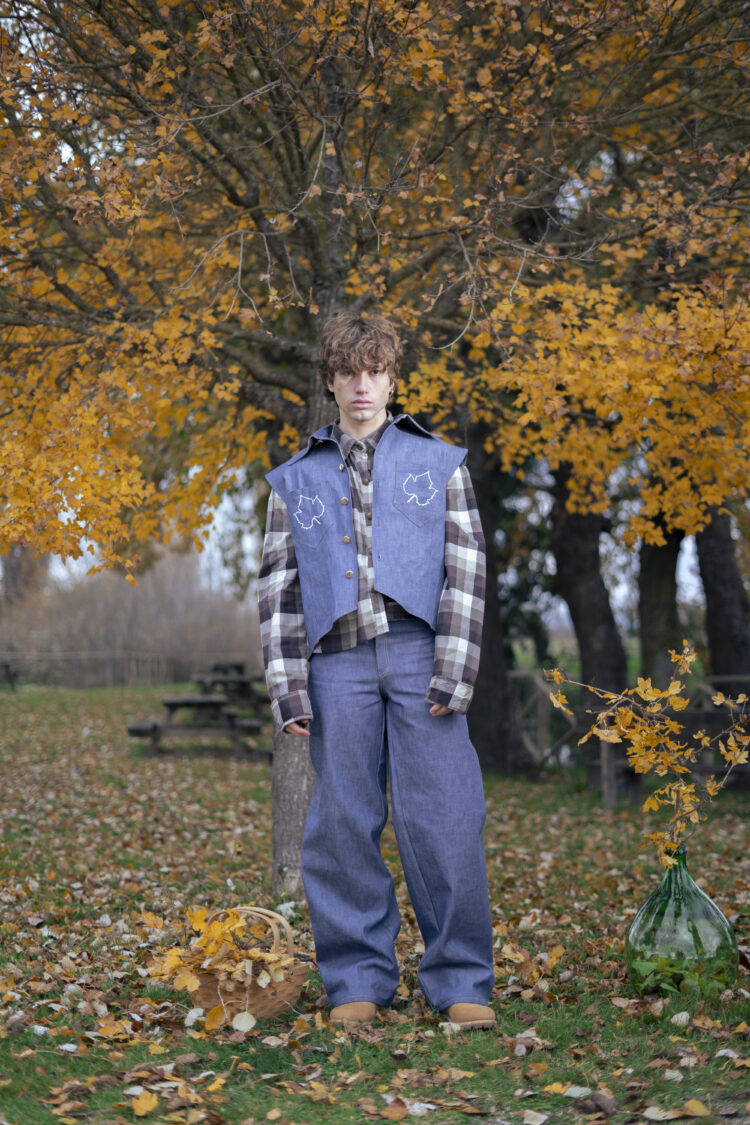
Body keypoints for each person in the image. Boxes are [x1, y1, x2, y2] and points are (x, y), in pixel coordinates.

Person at [257, 312, 495, 1030]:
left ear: (392, 377)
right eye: (348, 373)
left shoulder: (439, 463)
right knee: (340, 825)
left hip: (421, 659)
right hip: (336, 666)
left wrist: (454, 672)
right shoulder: (294, 479)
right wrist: (287, 688)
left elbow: (467, 569)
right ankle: (356, 978)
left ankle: (461, 982)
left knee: (446, 817)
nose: (362, 386)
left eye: (375, 372)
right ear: (330, 382)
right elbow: (277, 590)